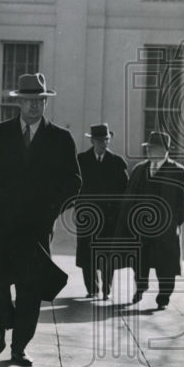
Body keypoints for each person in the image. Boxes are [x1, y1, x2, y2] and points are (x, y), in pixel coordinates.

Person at [0, 72, 81, 367]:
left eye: (38, 101)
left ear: (45, 103)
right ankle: (2, 322)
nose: (33, 106)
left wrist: (51, 210)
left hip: (36, 229)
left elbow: (74, 182)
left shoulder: (60, 139)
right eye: (28, 101)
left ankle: (20, 347)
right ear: (19, 103)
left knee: (30, 289)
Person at [116, 132, 184, 309]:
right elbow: (130, 197)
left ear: (165, 150)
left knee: (166, 267)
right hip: (141, 229)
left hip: (166, 230)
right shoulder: (140, 170)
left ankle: (163, 298)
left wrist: (174, 222)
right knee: (140, 262)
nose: (149, 151)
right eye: (148, 148)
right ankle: (140, 289)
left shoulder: (178, 172)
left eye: (153, 148)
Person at [75, 123, 129, 300]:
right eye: (99, 140)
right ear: (92, 141)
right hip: (87, 216)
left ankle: (106, 288)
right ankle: (92, 288)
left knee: (107, 254)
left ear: (109, 140)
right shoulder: (81, 160)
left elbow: (124, 190)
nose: (102, 144)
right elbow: (74, 186)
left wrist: (119, 213)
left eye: (105, 140)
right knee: (87, 253)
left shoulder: (117, 162)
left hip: (109, 217)